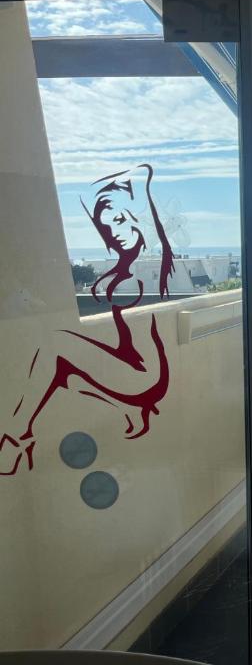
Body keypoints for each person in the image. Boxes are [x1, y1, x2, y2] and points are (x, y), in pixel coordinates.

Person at [0, 165, 174, 476]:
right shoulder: (134, 267)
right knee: (64, 374)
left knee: (55, 344)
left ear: (140, 218)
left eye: (119, 220)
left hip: (143, 374)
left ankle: (15, 438)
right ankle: (129, 409)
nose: (113, 232)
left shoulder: (140, 272)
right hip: (139, 370)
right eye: (106, 226)